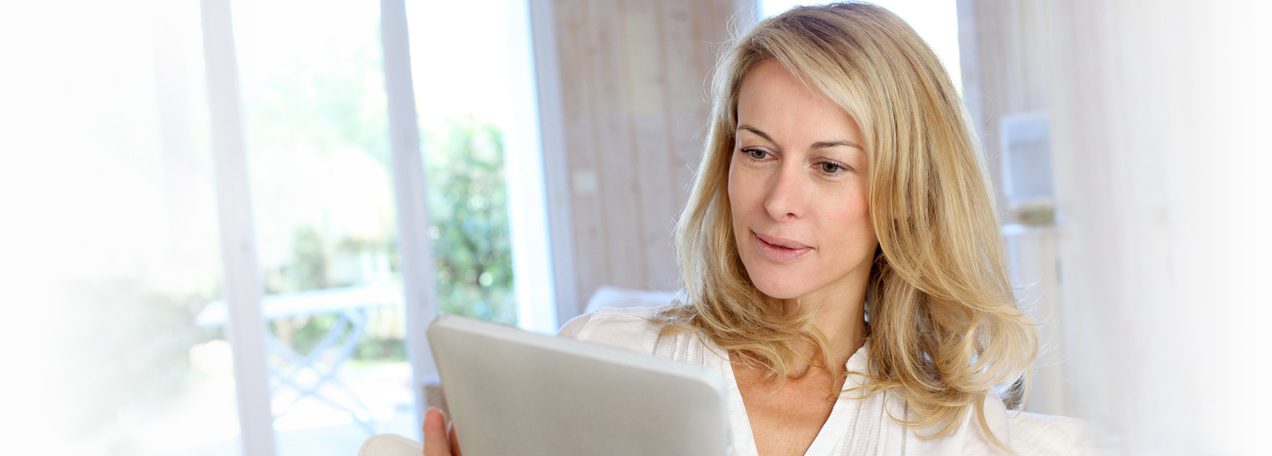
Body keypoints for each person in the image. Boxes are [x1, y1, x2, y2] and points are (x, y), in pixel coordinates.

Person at [425, 2, 1036, 455]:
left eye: (828, 165)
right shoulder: (607, 351)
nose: (777, 201)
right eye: (758, 152)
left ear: (906, 195)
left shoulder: (953, 428)